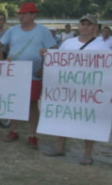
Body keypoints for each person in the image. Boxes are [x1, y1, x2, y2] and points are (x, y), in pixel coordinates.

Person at [44, 14, 109, 165]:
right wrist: (47, 55)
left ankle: (87, 153)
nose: (85, 26)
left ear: (95, 27)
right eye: (82, 23)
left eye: (89, 24)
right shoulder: (68, 43)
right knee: (63, 116)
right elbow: (57, 62)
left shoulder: (102, 46)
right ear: (78, 26)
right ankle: (60, 148)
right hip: (68, 88)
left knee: (90, 119)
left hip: (91, 91)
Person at [0, 2, 57, 149]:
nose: (21, 17)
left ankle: (32, 135)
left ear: (33, 15)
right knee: (14, 101)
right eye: (20, 14)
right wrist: (1, 61)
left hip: (34, 74)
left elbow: (53, 50)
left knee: (32, 104)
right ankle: (14, 130)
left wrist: (44, 64)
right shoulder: (12, 30)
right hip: (14, 73)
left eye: (24, 14)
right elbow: (0, 45)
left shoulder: (43, 31)